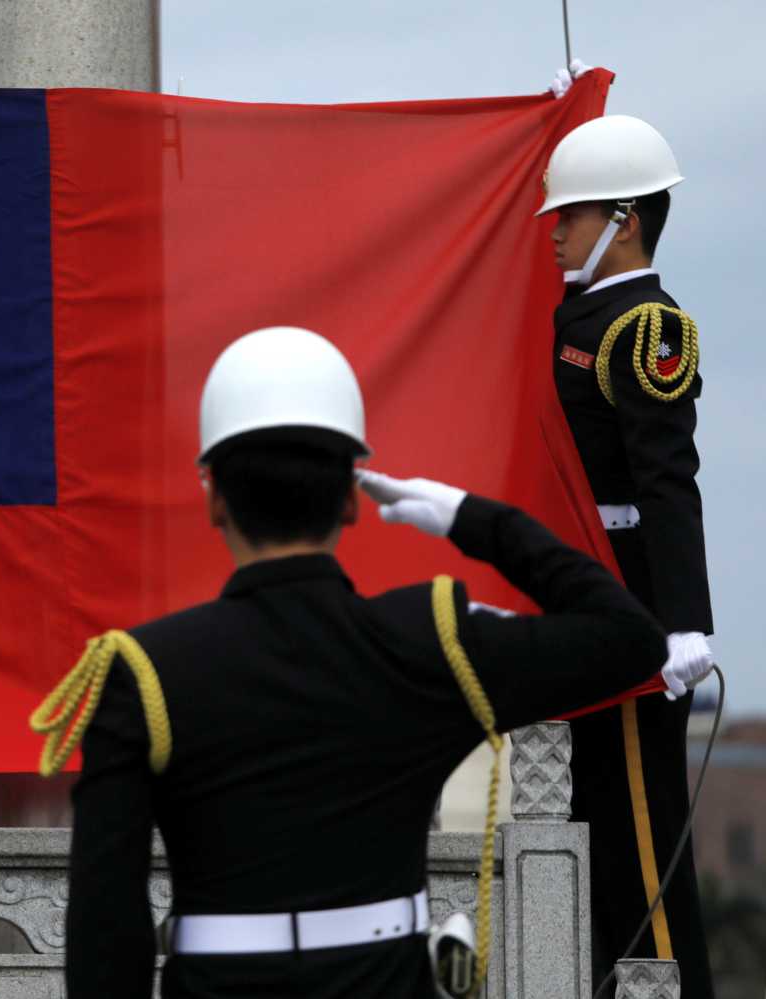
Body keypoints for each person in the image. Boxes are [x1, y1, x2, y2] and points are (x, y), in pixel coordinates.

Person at [37, 326, 667, 998]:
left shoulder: (143, 672)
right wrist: (472, 518)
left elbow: (106, 927)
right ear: (348, 496)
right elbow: (629, 637)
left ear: (214, 494)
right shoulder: (431, 642)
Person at [538, 113, 716, 997]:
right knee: (591, 810)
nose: (556, 230)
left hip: (636, 604)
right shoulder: (584, 309)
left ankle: (665, 985)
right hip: (583, 597)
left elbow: (667, 482)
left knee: (642, 819)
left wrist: (684, 623)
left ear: (624, 221)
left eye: (570, 215)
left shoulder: (649, 328)